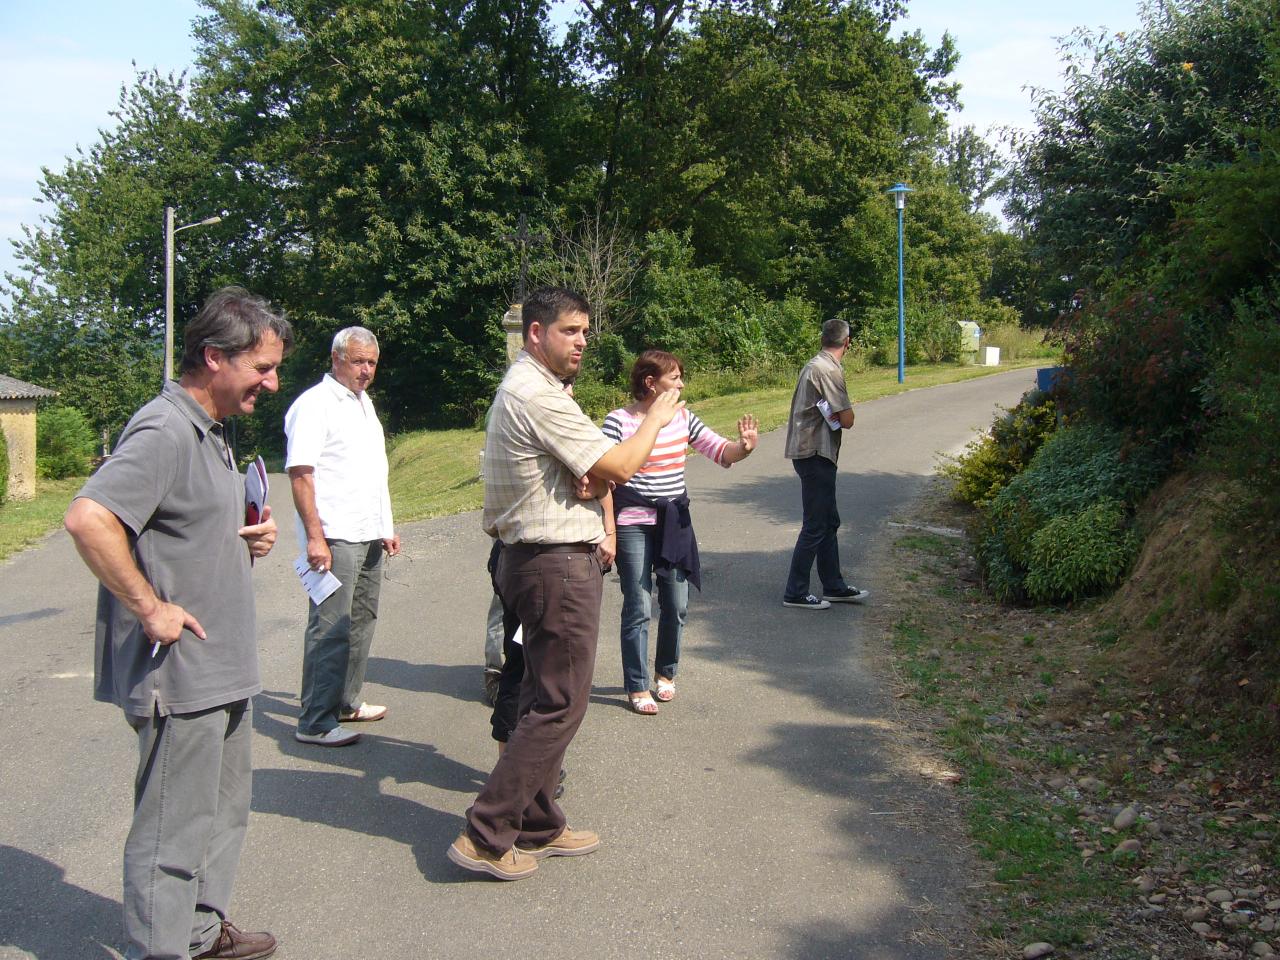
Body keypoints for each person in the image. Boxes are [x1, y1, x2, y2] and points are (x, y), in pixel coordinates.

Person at [64, 287, 291, 960]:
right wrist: (149, 606)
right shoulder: (165, 428)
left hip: (224, 667)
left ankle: (198, 933)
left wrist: (241, 536)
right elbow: (89, 518)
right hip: (182, 673)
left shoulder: (211, 431)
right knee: (172, 831)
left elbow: (178, 526)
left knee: (221, 815)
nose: (272, 383)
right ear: (215, 358)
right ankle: (161, 950)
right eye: (263, 368)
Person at [446, 286, 682, 881]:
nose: (583, 341)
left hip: (536, 559)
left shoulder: (535, 391)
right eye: (571, 331)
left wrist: (592, 475)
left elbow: (594, 469)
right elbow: (619, 467)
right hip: (554, 564)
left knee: (538, 695)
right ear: (535, 333)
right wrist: (657, 414)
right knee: (560, 703)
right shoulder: (535, 394)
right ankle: (486, 832)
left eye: (584, 331)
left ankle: (538, 823)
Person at [602, 350, 757, 714]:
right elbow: (604, 478)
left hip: (674, 521)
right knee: (638, 604)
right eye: (675, 378)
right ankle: (637, 686)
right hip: (633, 522)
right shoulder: (617, 421)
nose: (682, 384)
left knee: (676, 602)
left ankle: (666, 674)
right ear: (650, 382)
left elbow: (719, 450)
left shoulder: (683, 418)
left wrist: (744, 448)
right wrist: (607, 528)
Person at [285, 326, 400, 747]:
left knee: (362, 621)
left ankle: (346, 703)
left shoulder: (363, 404)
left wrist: (385, 525)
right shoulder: (314, 406)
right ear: (336, 360)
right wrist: (315, 538)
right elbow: (300, 475)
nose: (367, 370)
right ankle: (314, 721)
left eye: (372, 362)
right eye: (358, 361)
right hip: (333, 536)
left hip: (367, 532)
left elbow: (373, 471)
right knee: (331, 627)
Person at [781, 317, 870, 610]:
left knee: (829, 521)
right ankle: (795, 592)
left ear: (823, 339)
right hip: (815, 452)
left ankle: (834, 586)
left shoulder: (814, 364)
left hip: (813, 452)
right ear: (847, 342)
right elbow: (847, 419)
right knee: (816, 524)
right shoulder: (827, 369)